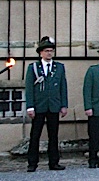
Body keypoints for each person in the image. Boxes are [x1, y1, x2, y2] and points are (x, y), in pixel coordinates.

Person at [25, 36, 68, 172]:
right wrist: (30, 106)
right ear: (40, 53)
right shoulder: (33, 67)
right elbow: (29, 88)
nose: (49, 53)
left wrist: (64, 105)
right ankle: (32, 163)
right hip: (39, 105)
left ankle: (53, 162)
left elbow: (63, 87)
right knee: (35, 135)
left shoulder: (59, 67)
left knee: (53, 135)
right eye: (46, 51)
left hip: (54, 105)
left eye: (51, 51)